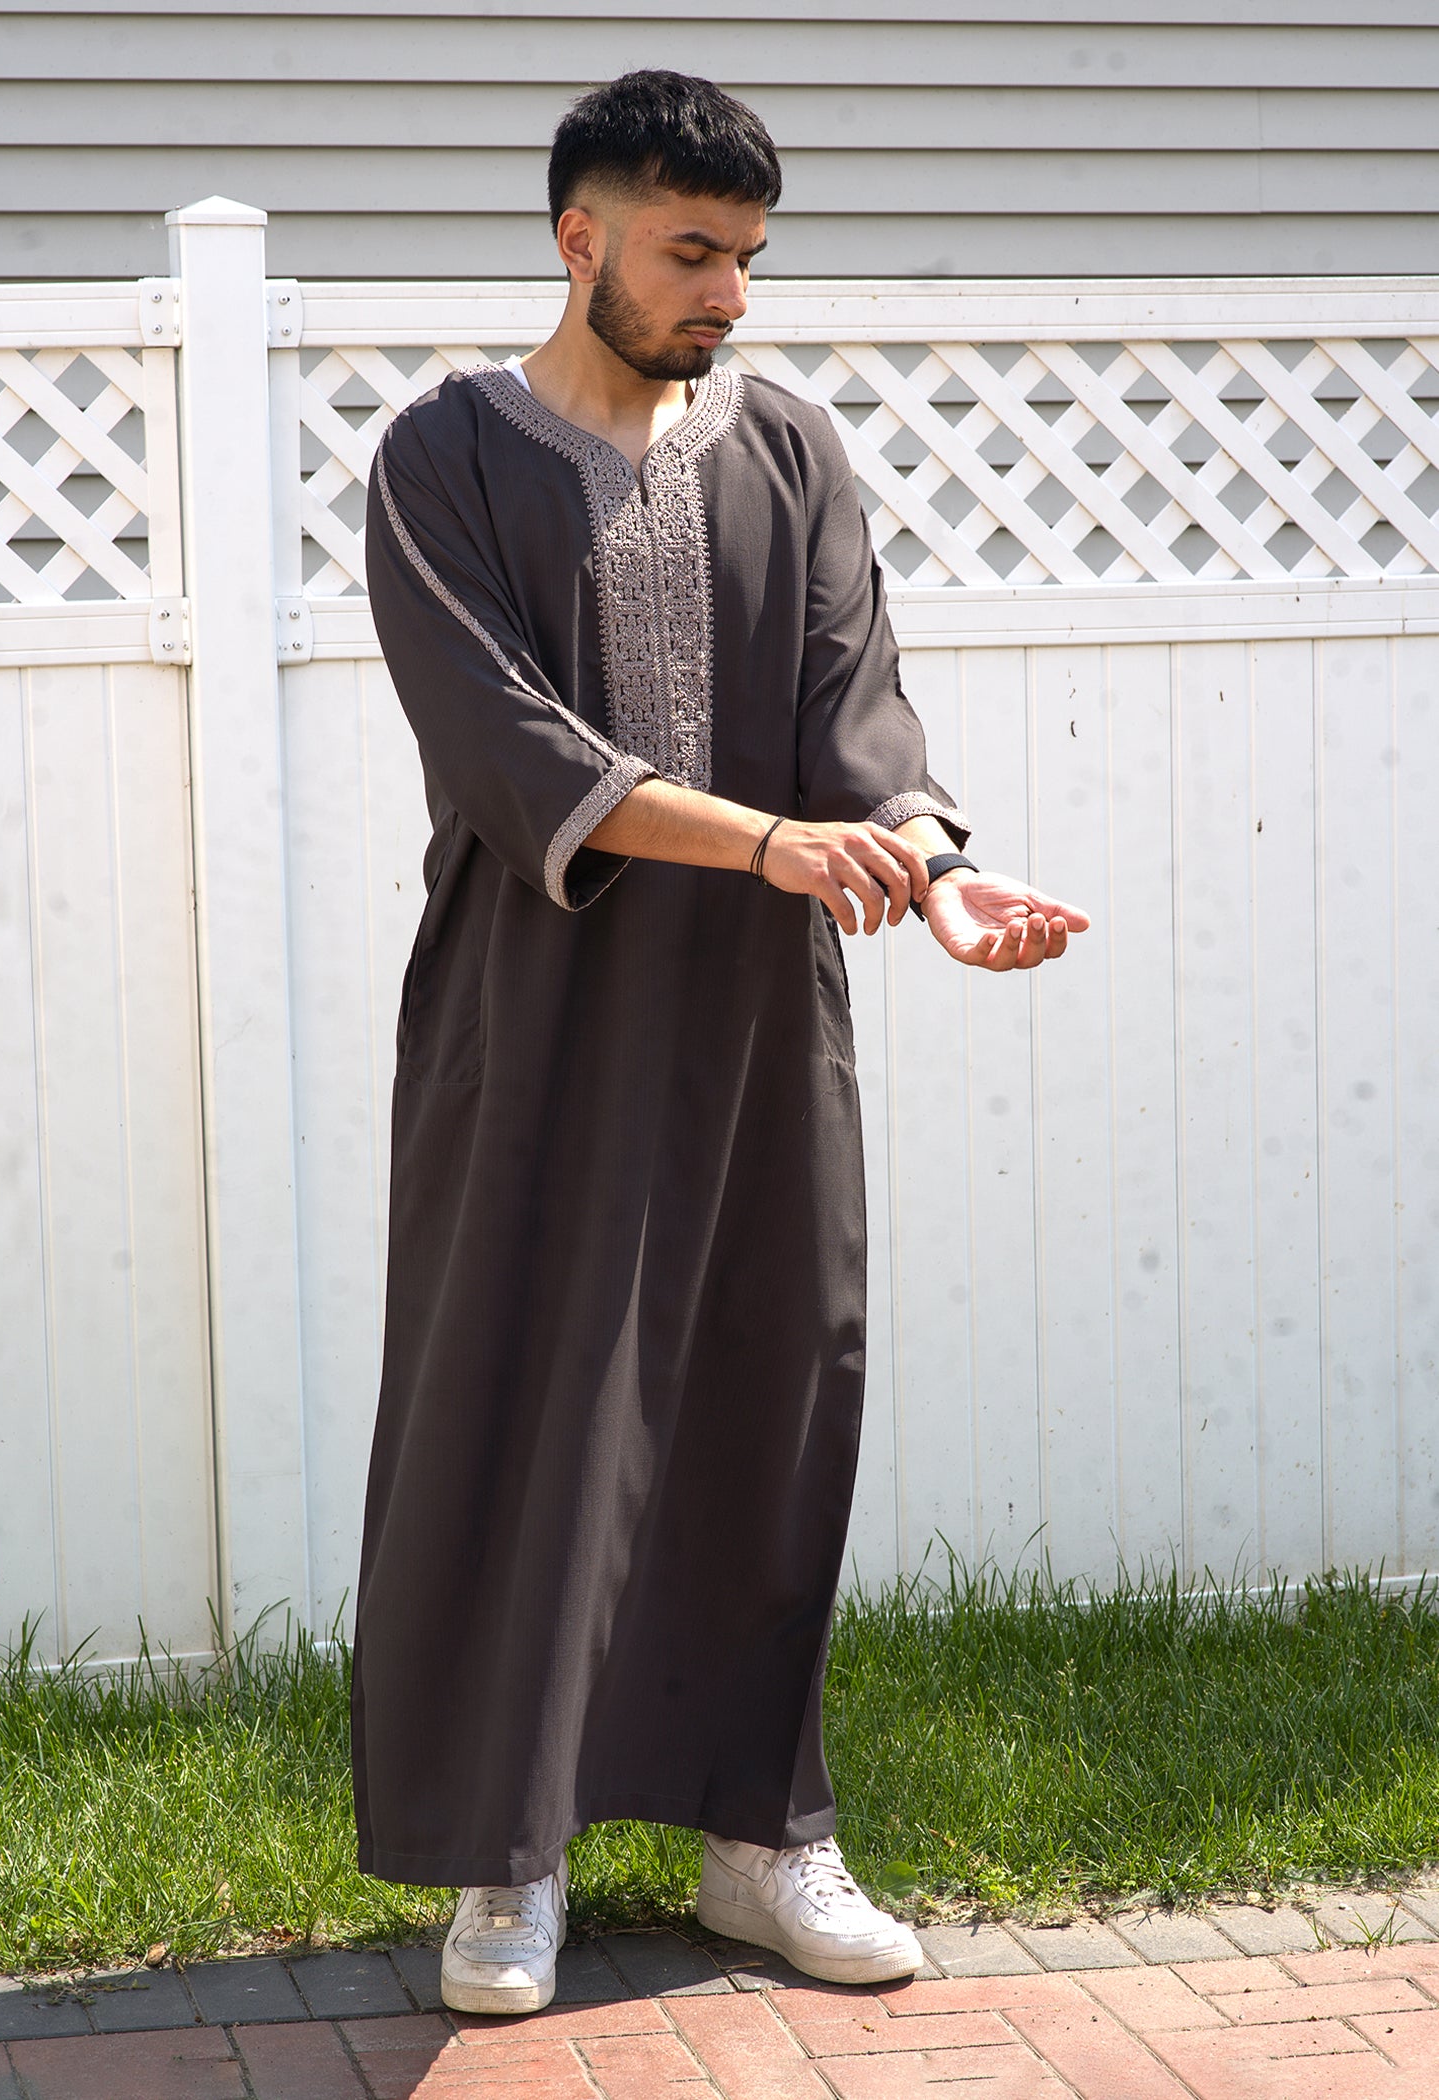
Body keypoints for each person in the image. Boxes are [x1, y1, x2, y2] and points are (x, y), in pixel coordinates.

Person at [350, 68, 1088, 2018]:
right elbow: (517, 758)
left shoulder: (790, 452)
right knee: (525, 1408)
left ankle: (765, 1842)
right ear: (576, 234)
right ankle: (510, 1858)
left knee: (772, 1401)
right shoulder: (444, 463)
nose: (729, 296)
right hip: (539, 1022)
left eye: (748, 258)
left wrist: (938, 881)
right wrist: (778, 841)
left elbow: (864, 719)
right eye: (693, 253)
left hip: (768, 1029)